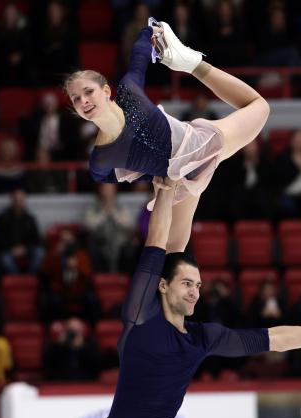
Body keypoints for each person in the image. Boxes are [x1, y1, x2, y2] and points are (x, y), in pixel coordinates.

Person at [100, 177, 301, 418]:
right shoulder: (140, 317)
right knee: (173, 252)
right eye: (187, 284)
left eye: (197, 285)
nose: (195, 292)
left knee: (176, 251)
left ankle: (195, 174)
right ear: (162, 286)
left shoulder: (201, 338)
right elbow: (157, 241)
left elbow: (276, 339)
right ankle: (191, 174)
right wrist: (164, 189)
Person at [64, 18, 270, 253]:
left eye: (88, 92)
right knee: (173, 253)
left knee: (260, 107)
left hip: (198, 145)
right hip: (178, 179)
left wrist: (151, 30)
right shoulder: (101, 160)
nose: (83, 101)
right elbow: (123, 176)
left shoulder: (129, 93)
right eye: (75, 99)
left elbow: (139, 55)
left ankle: (193, 65)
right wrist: (158, 175)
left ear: (106, 91)